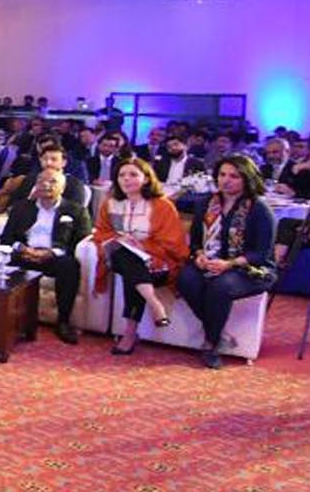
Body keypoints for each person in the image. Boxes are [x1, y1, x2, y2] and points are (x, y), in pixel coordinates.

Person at [177, 155, 278, 368]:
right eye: (222, 175)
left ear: (247, 179)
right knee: (186, 279)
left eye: (234, 176)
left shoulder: (259, 209)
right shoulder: (206, 203)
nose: (226, 180)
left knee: (220, 286)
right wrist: (199, 256)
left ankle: (211, 344)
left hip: (251, 268)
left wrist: (229, 264)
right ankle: (216, 330)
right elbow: (195, 242)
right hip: (211, 262)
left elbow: (261, 253)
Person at [91, 156, 189, 357]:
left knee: (132, 270)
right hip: (119, 257)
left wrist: (142, 245)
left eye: (133, 174)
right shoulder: (110, 204)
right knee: (125, 255)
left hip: (157, 262)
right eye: (121, 175)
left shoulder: (162, 206)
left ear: (146, 178)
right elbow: (100, 233)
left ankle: (129, 334)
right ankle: (155, 304)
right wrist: (121, 239)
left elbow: (172, 243)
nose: (126, 179)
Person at [0, 169, 89, 343]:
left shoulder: (76, 211)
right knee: (0, 257)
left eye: (52, 182)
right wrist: (22, 249)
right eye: (41, 181)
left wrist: (50, 253)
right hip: (25, 255)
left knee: (69, 266)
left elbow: (80, 242)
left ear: (62, 188)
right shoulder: (21, 207)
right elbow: (6, 238)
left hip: (54, 258)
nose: (45, 185)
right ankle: (2, 317)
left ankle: (63, 321)